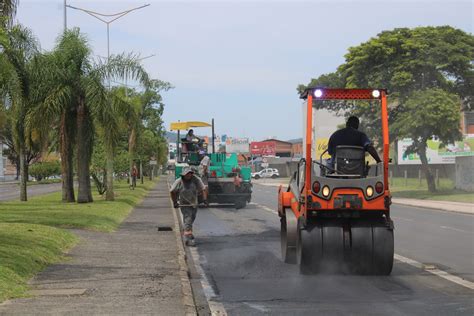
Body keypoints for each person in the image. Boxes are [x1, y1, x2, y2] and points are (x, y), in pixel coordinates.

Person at [170, 167, 207, 246]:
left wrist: (204, 200)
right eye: (187, 174)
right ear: (183, 174)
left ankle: (187, 230)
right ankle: (188, 238)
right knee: (188, 218)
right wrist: (174, 202)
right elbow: (172, 191)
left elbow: (203, 189)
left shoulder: (196, 179)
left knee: (191, 218)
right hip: (184, 204)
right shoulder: (179, 181)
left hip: (194, 203)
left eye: (190, 174)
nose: (189, 175)